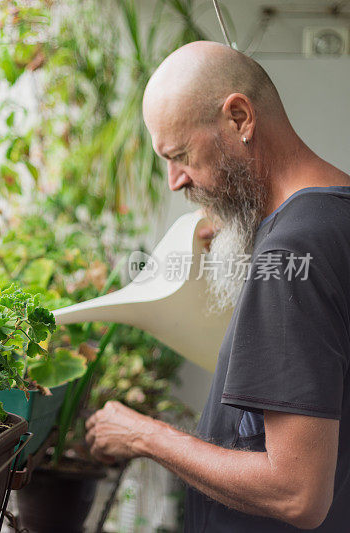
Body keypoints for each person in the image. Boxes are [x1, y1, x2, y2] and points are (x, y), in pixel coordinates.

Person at [84, 40, 350, 531]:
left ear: (240, 118)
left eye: (181, 154)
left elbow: (297, 492)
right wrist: (250, 233)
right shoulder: (332, 214)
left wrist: (143, 435)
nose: (174, 181)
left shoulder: (291, 253)